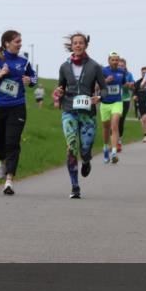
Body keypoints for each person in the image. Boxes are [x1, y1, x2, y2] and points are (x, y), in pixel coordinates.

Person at [53, 33, 102, 199]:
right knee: (71, 146)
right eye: (75, 43)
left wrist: (99, 97)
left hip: (87, 113)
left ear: (85, 45)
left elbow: (105, 88)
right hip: (69, 110)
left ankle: (87, 160)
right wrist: (59, 91)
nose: (78, 45)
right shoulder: (64, 66)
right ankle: (75, 186)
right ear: (71, 46)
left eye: (81, 43)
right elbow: (61, 86)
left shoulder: (95, 66)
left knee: (86, 147)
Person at [0, 30, 37, 195]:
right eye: (17, 41)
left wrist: (30, 80)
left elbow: (34, 77)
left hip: (17, 106)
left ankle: (9, 181)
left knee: (12, 142)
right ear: (6, 43)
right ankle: (2, 161)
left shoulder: (23, 62)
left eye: (20, 41)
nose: (20, 44)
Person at [98, 51, 128, 164]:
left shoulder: (122, 72)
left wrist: (128, 86)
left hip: (117, 102)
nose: (115, 62)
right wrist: (105, 81)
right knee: (106, 128)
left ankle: (114, 152)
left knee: (114, 125)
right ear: (109, 60)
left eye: (116, 60)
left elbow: (124, 84)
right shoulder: (103, 71)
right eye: (113, 60)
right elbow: (96, 86)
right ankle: (105, 148)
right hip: (105, 103)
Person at [116, 57, 135, 151]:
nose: (120, 67)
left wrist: (129, 86)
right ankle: (113, 141)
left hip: (125, 100)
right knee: (113, 120)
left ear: (125, 66)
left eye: (122, 66)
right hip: (113, 99)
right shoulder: (112, 73)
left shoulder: (128, 75)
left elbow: (133, 87)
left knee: (120, 120)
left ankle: (119, 141)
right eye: (119, 65)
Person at [135, 66, 146, 142]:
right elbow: (135, 92)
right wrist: (135, 96)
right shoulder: (138, 82)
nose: (144, 74)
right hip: (141, 103)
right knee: (144, 119)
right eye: (143, 72)